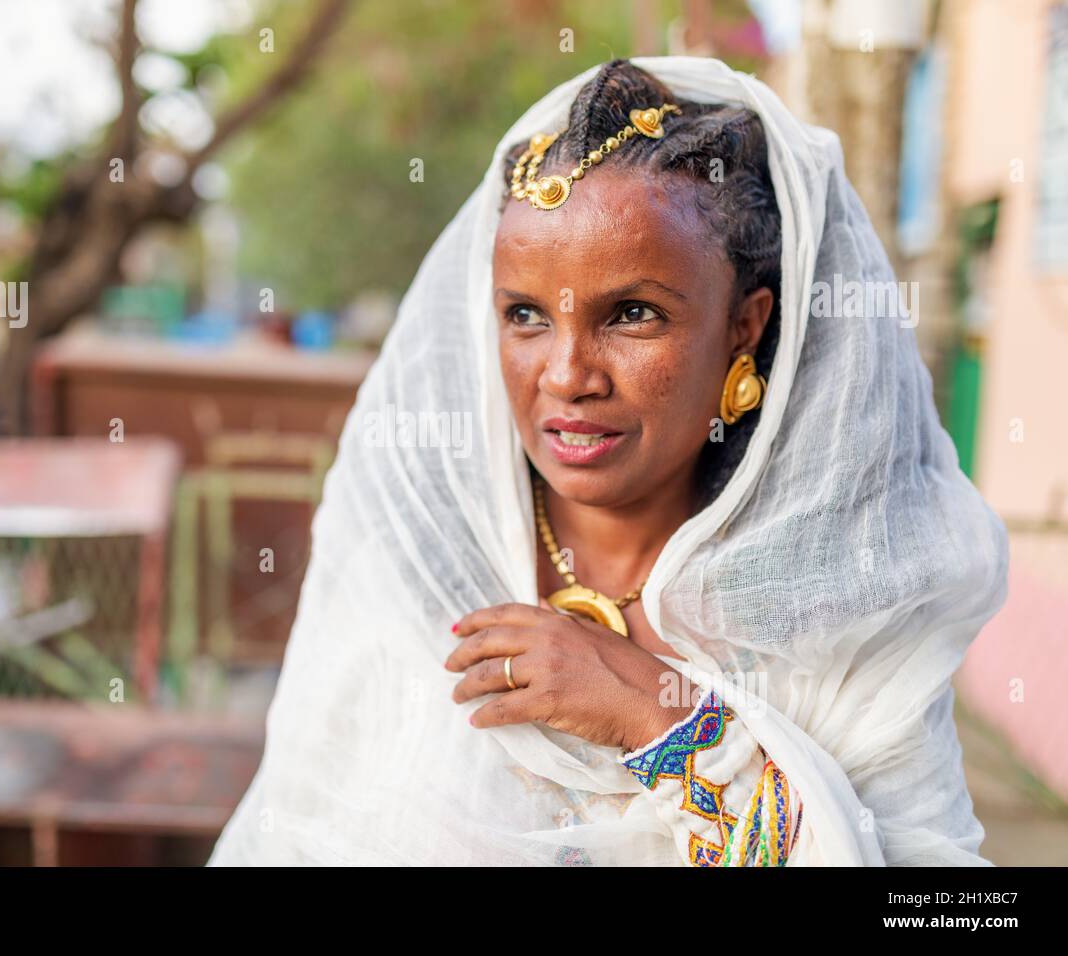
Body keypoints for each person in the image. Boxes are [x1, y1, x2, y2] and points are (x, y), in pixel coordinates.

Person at [207, 56, 1008, 866]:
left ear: (745, 325)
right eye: (525, 314)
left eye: (632, 314)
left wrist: (656, 719)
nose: (565, 376)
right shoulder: (416, 567)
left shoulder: (836, 614)